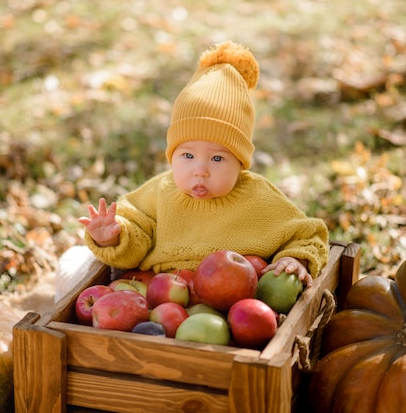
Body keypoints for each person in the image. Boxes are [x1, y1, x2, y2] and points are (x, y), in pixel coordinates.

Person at [78, 40, 328, 288]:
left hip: (235, 301)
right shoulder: (158, 194)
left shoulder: (259, 200)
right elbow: (135, 237)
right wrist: (111, 237)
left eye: (217, 158)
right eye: (187, 156)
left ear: (240, 163)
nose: (200, 171)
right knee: (75, 268)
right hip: (161, 297)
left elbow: (307, 234)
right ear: (172, 155)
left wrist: (295, 259)